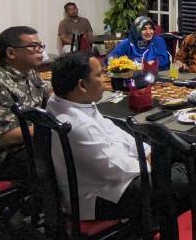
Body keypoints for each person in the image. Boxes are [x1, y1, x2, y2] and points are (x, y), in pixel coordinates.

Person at [47, 52, 188, 220]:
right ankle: (164, 224)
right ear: (82, 85)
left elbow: (112, 130)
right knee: (180, 176)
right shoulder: (77, 124)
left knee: (171, 154)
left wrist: (147, 151)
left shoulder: (62, 101)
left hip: (105, 179)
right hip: (97, 196)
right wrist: (148, 163)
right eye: (99, 75)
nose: (104, 79)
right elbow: (114, 170)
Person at [0, 26, 52, 180]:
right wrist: (51, 126)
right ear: (11, 53)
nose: (40, 51)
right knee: (60, 156)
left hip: (28, 142)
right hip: (2, 157)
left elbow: (51, 96)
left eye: (40, 46)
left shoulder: (29, 72)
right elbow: (6, 137)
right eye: (33, 46)